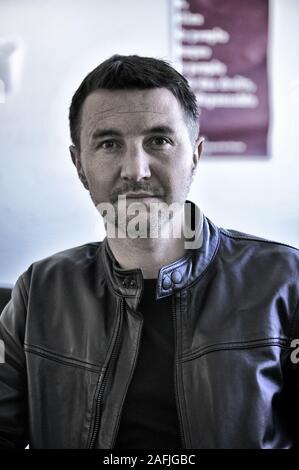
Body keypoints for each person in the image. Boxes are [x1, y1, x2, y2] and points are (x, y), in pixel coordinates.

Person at [0, 54, 299, 450]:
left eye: (158, 140)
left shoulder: (285, 280)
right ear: (79, 165)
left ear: (195, 154)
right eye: (109, 144)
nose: (136, 169)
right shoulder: (38, 290)